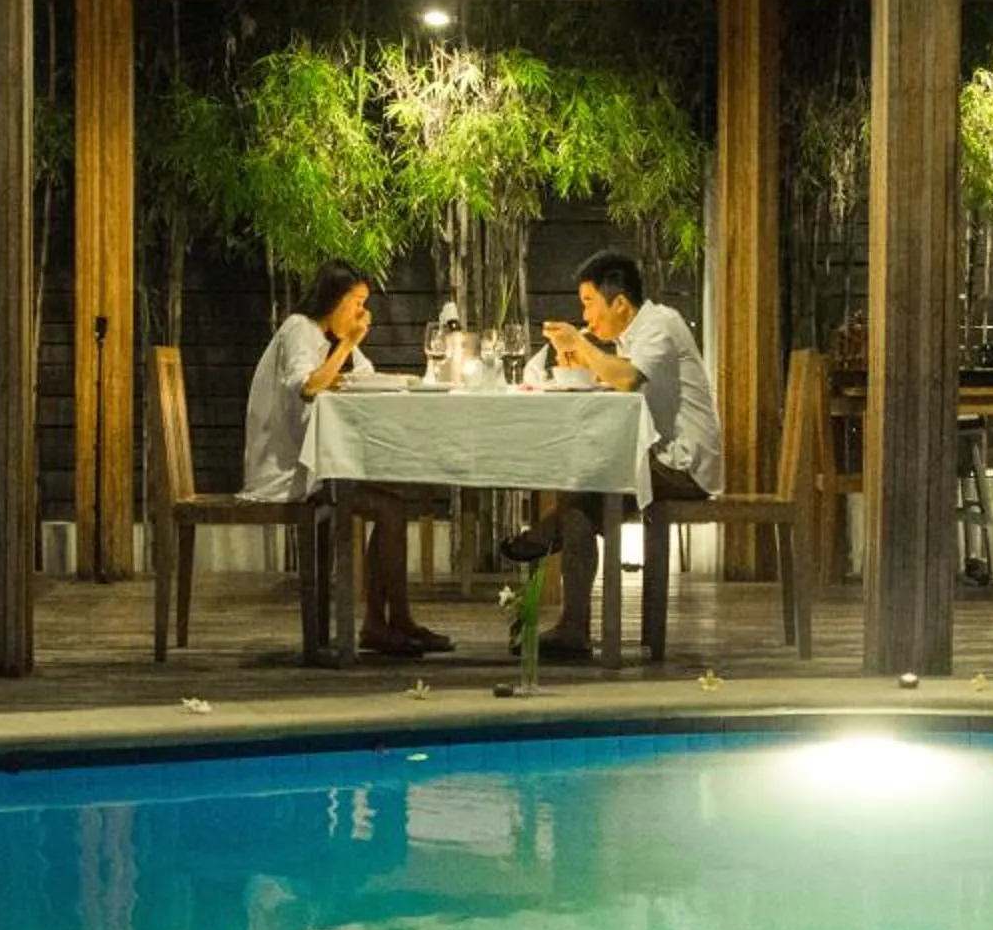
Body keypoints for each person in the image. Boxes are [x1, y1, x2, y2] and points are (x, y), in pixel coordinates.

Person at [502, 250, 724, 660]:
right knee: (580, 498)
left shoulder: (659, 325)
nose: (586, 312)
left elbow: (625, 379)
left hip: (684, 465)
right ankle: (569, 615)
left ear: (619, 302)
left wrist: (581, 345)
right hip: (658, 457)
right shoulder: (633, 336)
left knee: (583, 493)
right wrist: (580, 357)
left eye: (588, 302)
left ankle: (542, 545)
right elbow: (616, 379)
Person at [241, 262, 450, 658]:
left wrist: (351, 347)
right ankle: (382, 624)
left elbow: (358, 375)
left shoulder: (321, 336)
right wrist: (348, 345)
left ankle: (393, 620)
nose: (360, 314)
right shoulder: (300, 330)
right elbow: (309, 386)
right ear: (333, 301)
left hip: (312, 463)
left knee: (392, 502)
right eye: (356, 304)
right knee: (389, 508)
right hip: (285, 473)